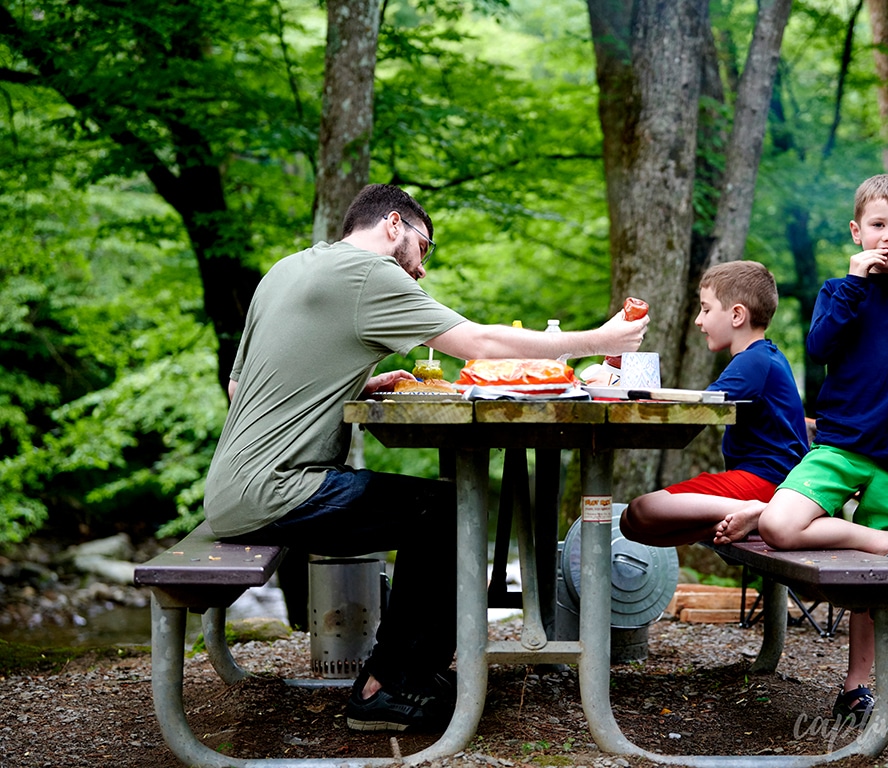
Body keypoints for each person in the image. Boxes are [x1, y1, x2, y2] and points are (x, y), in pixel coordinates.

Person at [202, 183, 648, 733]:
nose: (421, 269)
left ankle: (408, 671)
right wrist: (597, 338)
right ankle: (387, 688)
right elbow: (478, 343)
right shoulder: (369, 273)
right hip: (277, 491)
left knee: (437, 506)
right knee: (448, 510)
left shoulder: (286, 270)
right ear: (394, 226)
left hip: (231, 486)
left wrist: (355, 384)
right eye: (424, 248)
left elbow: (238, 385)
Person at [721, 173, 888, 727]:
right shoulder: (840, 291)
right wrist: (855, 281)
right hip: (838, 444)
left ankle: (857, 685)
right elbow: (820, 345)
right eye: (878, 225)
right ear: (857, 231)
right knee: (782, 527)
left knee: (875, 580)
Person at [620, 261, 809, 548]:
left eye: (706, 309)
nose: (698, 320)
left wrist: (635, 393)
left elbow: (697, 407)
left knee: (642, 511)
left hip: (768, 483)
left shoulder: (753, 360)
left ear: (736, 315)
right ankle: (746, 519)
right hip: (768, 481)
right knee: (634, 527)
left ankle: (763, 514)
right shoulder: (763, 357)